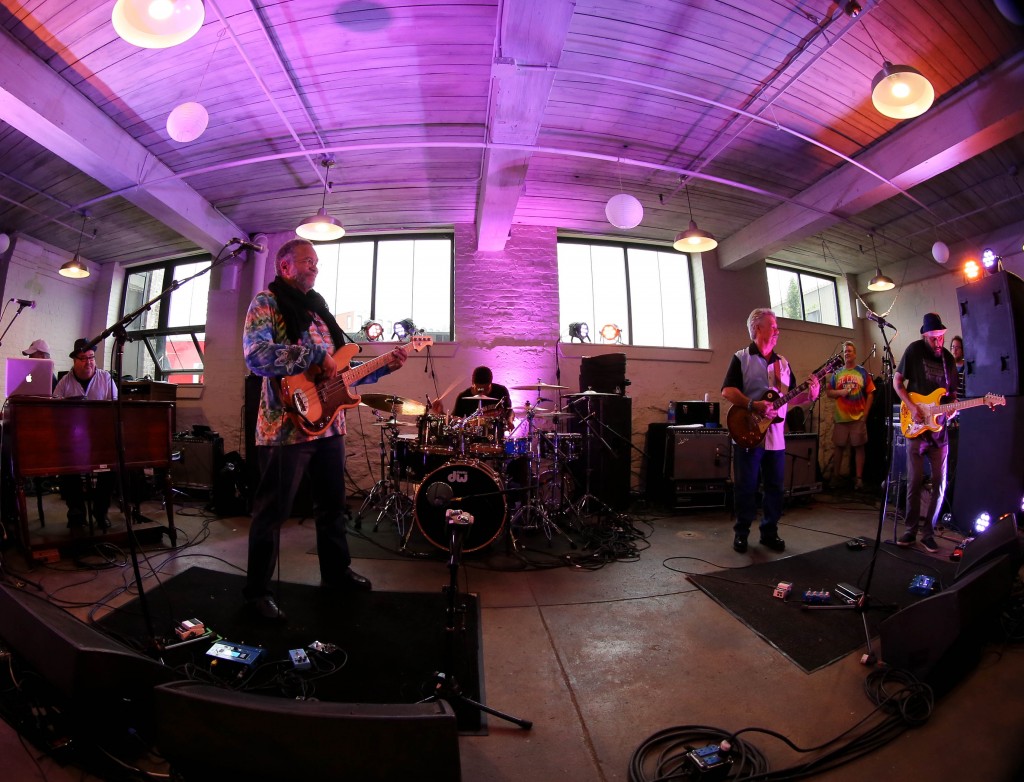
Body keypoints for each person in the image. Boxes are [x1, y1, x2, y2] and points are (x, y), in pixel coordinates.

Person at [243, 238, 408, 622]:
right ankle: (256, 592)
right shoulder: (265, 303)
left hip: (330, 428)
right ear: (284, 267)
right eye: (306, 261)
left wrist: (384, 366)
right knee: (272, 512)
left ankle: (335, 573)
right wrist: (313, 355)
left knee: (332, 507)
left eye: (316, 262)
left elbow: (341, 373)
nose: (314, 267)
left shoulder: (320, 312)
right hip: (285, 428)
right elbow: (256, 357)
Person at [721, 308, 820, 553]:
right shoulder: (741, 357)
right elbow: (727, 391)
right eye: (772, 326)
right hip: (748, 433)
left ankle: (769, 532)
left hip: (776, 438)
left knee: (775, 487)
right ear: (757, 328)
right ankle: (741, 533)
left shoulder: (783, 363)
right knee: (746, 486)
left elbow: (791, 399)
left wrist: (811, 394)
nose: (777, 331)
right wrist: (754, 404)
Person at [892, 313, 958, 553]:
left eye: (940, 337)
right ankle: (910, 530)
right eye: (933, 338)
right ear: (924, 335)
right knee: (914, 481)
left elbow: (951, 397)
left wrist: (951, 412)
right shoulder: (913, 351)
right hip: (916, 428)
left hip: (939, 433)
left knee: (940, 484)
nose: (937, 343)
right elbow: (897, 382)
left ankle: (928, 532)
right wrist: (912, 407)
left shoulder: (948, 360)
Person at [52, 338, 117, 528]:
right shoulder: (64, 382)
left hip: (100, 440)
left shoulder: (105, 378)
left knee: (112, 465)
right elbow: (54, 410)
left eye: (91, 358)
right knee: (64, 463)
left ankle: (100, 510)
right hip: (73, 440)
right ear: (74, 360)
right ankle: (76, 511)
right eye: (83, 358)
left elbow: (115, 408)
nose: (88, 362)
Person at [825, 341, 875, 491]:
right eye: (845, 351)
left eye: (850, 351)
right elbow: (829, 392)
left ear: (855, 354)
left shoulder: (862, 372)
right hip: (841, 418)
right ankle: (835, 478)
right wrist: (840, 392)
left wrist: (865, 414)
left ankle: (859, 479)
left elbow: (871, 393)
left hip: (858, 418)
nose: (847, 353)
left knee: (859, 448)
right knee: (839, 447)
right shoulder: (837, 373)